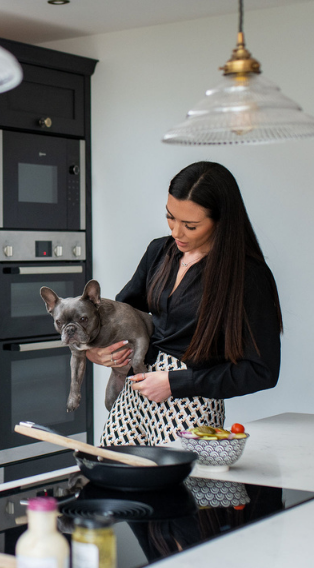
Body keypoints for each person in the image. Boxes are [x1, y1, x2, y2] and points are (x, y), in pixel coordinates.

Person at [91, 161, 282, 446]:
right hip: (134, 396)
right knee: (112, 470)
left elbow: (261, 372)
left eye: (190, 226)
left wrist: (175, 383)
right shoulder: (159, 252)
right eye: (170, 217)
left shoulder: (248, 275)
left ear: (221, 221)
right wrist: (95, 350)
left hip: (191, 406)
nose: (176, 233)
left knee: (179, 477)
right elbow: (119, 316)